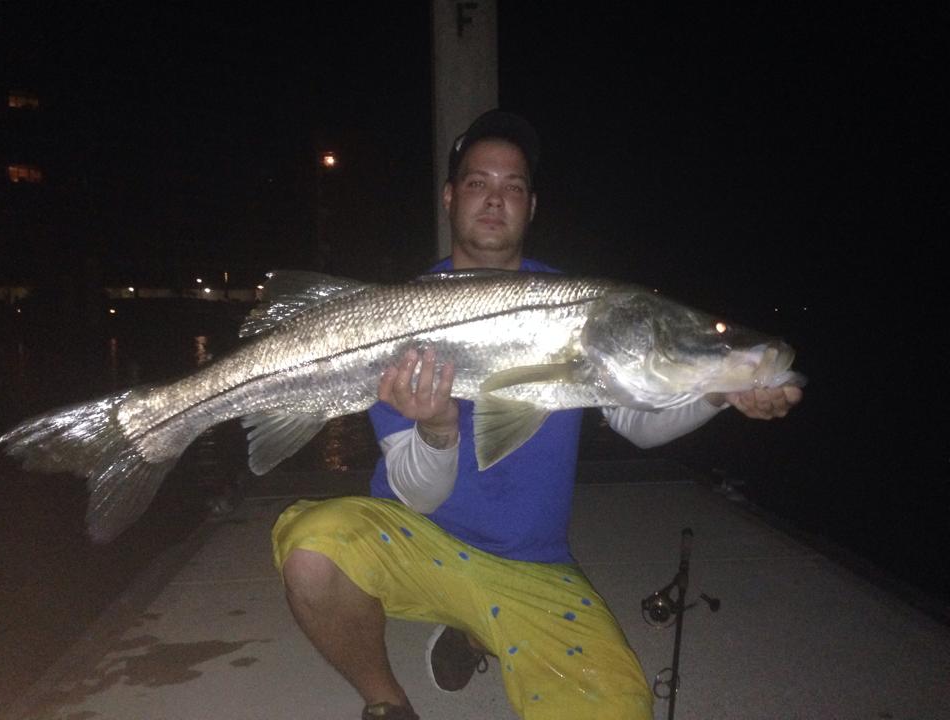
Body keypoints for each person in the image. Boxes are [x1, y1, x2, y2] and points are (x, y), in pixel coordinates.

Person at [272, 110, 803, 720]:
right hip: (415, 540)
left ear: (532, 206)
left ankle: (472, 631)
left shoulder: (581, 305)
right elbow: (415, 494)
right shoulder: (400, 314)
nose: (496, 200)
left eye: (514, 187)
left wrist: (715, 390)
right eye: (478, 183)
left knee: (618, 710)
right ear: (450, 197)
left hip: (532, 562)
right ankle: (387, 703)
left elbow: (637, 423)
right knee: (312, 550)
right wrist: (439, 427)